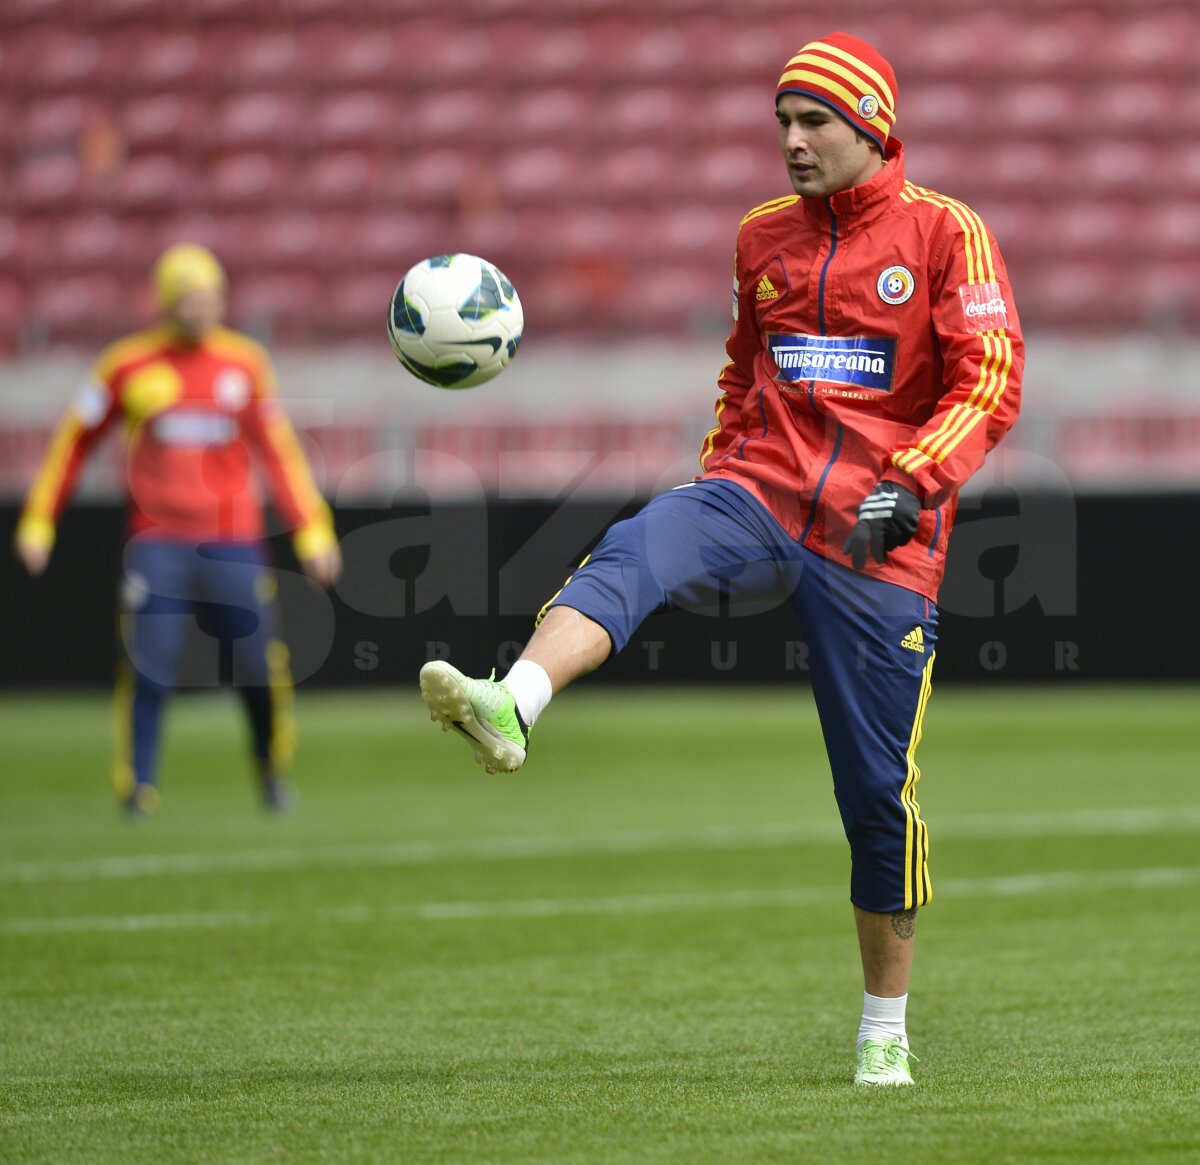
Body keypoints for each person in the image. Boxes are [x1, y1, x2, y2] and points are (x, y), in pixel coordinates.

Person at [419, 32, 1023, 1085]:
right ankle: (516, 700)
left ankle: (884, 1028)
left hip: (881, 537)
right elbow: (744, 375)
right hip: (759, 490)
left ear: (871, 125)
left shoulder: (944, 234)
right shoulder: (761, 239)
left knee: (877, 795)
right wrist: (720, 470)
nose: (791, 141)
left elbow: (989, 379)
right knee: (640, 542)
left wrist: (914, 480)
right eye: (781, 122)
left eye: (813, 122)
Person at [14, 243, 341, 816]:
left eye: (211, 295)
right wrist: (40, 519)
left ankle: (269, 768)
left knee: (258, 668)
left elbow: (280, 453)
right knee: (148, 665)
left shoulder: (245, 364)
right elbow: (73, 443)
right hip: (157, 542)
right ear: (167, 301)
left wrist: (313, 530)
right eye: (190, 297)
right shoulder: (126, 366)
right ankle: (138, 785)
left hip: (233, 542)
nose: (202, 306)